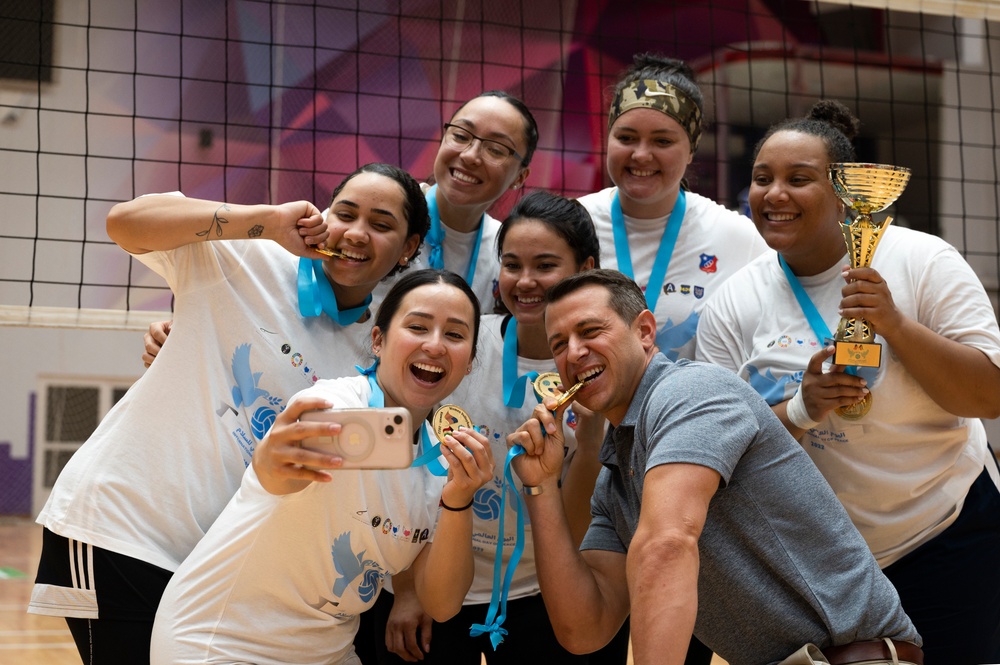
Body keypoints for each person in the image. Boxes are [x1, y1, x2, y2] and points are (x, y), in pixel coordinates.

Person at [27, 163, 429, 665]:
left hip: (220, 563)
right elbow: (124, 223)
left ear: (410, 246)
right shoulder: (250, 255)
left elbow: (391, 479)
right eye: (344, 212)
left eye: (382, 224)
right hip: (124, 529)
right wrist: (264, 220)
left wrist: (407, 586)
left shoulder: (377, 352)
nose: (355, 232)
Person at [695, 100, 1000, 664]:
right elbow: (718, 452)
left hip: (944, 526)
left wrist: (895, 324)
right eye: (763, 178)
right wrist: (802, 410)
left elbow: (988, 395)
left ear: (843, 194)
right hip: (817, 557)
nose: (774, 194)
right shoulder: (733, 303)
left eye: (798, 179)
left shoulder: (923, 260)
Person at [508, 268, 922, 665]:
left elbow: (666, 544)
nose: (574, 352)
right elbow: (585, 629)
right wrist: (540, 487)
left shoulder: (689, 392)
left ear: (645, 331)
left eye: (590, 331)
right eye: (558, 344)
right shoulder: (615, 476)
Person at [149, 269, 494, 665]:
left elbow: (443, 604)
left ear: (469, 362)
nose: (434, 345)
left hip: (325, 653)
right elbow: (277, 468)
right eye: (417, 326)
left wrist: (459, 500)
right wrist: (272, 457)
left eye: (454, 335)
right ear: (378, 341)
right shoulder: (334, 401)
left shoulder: (441, 468)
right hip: (221, 642)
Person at [370, 192, 627, 664]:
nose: (525, 282)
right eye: (511, 264)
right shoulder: (458, 342)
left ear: (585, 266)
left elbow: (575, 533)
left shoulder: (597, 372)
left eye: (545, 265)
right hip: (439, 580)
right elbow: (399, 470)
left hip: (542, 589)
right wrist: (407, 589)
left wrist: (589, 448)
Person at [578, 53, 768, 362]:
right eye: (626, 137)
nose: (641, 155)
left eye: (662, 142)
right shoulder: (571, 225)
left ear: (691, 149)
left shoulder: (737, 237)